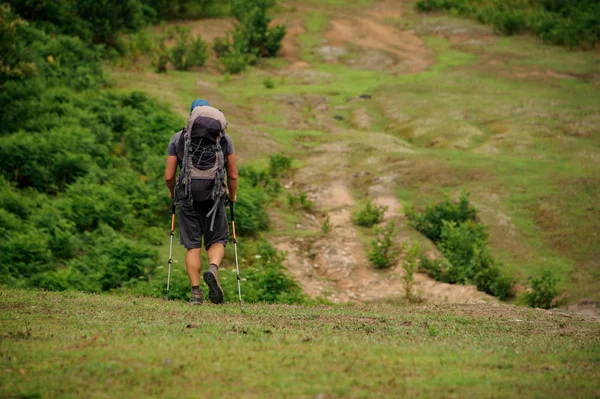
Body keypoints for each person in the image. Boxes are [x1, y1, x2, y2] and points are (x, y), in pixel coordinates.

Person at [164, 99, 238, 305]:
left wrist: (172, 193)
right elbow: (232, 174)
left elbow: (169, 176)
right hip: (214, 198)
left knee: (193, 246)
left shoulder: (178, 139)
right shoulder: (224, 139)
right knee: (217, 240)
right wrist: (232, 195)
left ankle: (196, 294)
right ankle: (213, 268)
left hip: (187, 197)